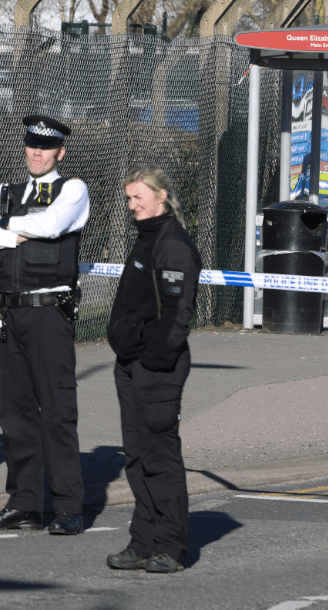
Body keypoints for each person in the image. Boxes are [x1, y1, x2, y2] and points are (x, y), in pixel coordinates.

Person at [0, 115, 89, 535]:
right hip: (7, 315)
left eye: (45, 146)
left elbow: (53, 225)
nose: (36, 152)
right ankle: (24, 503)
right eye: (31, 145)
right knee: (14, 413)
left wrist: (6, 227)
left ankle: (68, 505)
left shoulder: (72, 189)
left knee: (57, 411)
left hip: (47, 315)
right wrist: (15, 232)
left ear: (60, 151)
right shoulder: (5, 192)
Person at [105, 165, 201, 573]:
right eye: (128, 199)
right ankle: (142, 542)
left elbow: (178, 314)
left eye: (138, 198)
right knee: (137, 456)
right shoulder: (146, 239)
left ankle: (170, 546)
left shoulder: (172, 244)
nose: (132, 206)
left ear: (161, 196)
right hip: (131, 364)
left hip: (156, 368)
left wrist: (153, 361)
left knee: (160, 457)